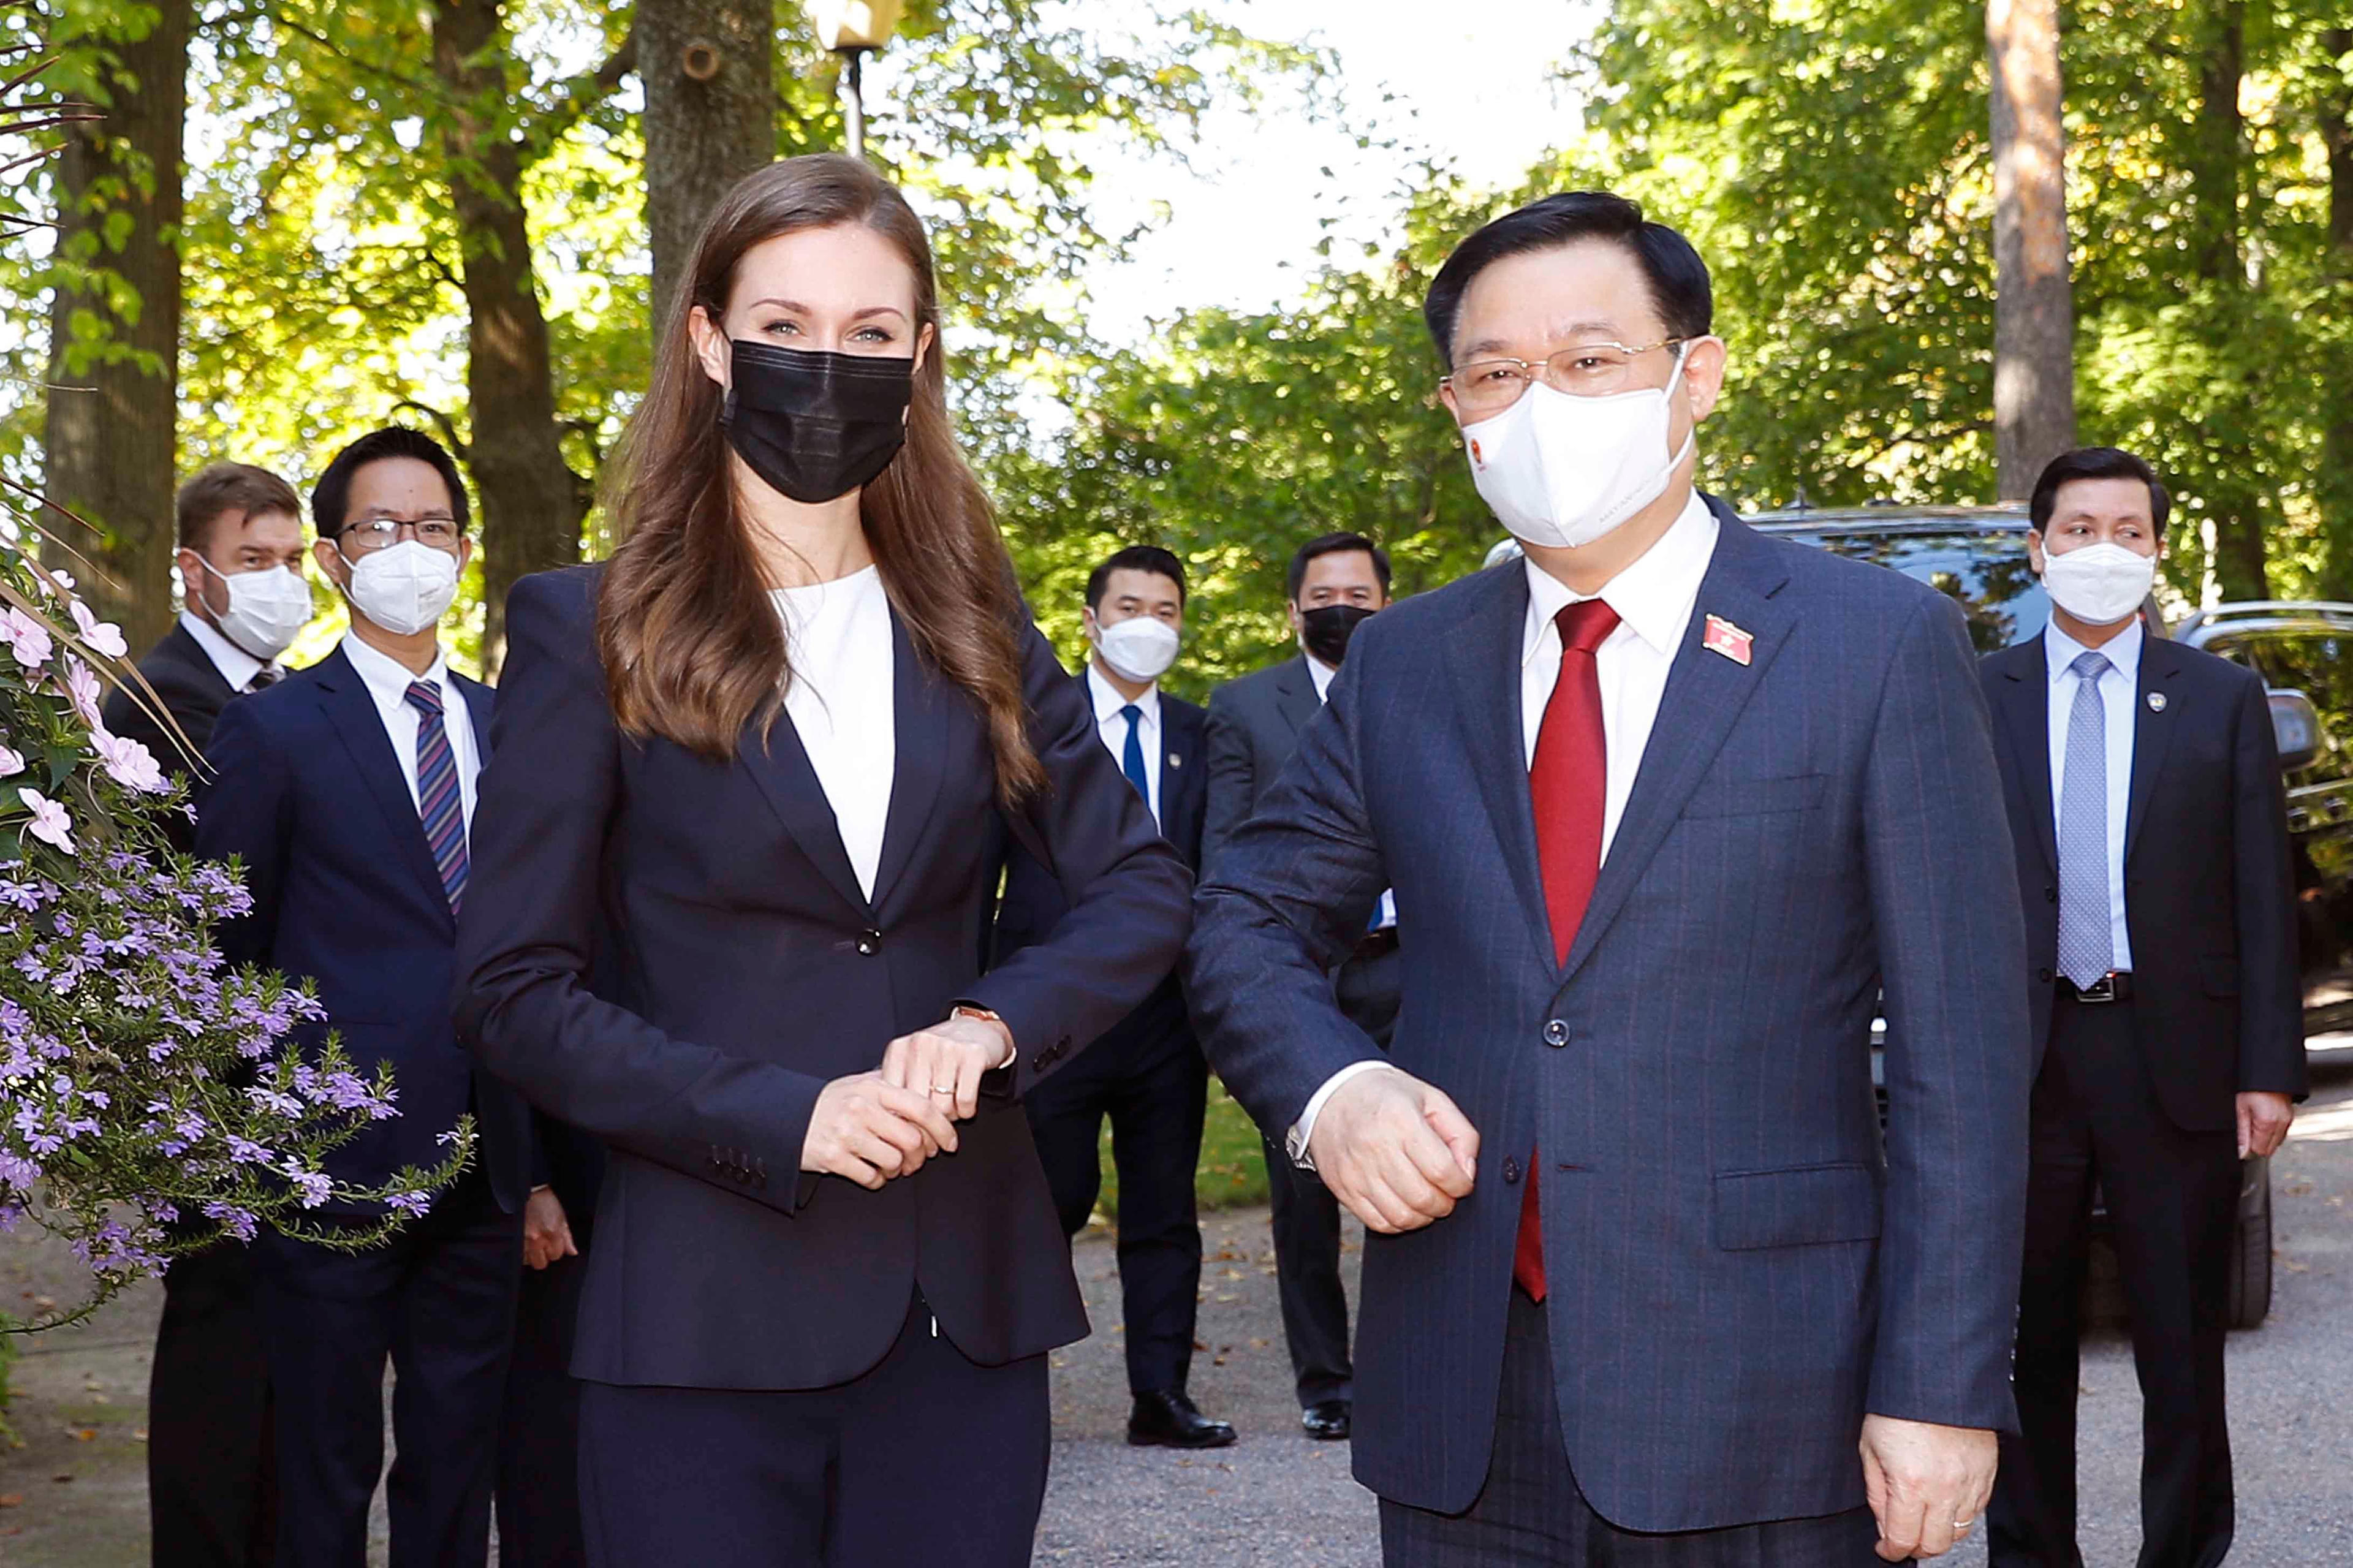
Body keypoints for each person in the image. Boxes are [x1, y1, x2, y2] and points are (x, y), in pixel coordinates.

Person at [1187, 191, 2031, 1566]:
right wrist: (1333, 1091)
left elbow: (1966, 1052)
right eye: (1496, 374)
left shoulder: (1873, 645)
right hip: (1465, 1407)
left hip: (1770, 1400)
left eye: (1588, 361)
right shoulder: (1407, 663)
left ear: (1694, 375)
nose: (1540, 405)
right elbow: (1248, 918)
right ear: (1456, 407)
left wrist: (1940, 1385)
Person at [452, 154, 1191, 1568]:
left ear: (920, 355)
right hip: (699, 1317)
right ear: (710, 341)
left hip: (962, 1317)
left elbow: (1141, 884)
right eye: (785, 325)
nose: (826, 363)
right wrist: (785, 1114)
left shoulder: (977, 623)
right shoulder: (587, 629)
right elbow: (511, 989)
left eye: (870, 331)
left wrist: (993, 1024)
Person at [196, 426, 545, 1568]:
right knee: (325, 1462)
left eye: (433, 526)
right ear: (335, 559)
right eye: (380, 527)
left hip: (488, 1167)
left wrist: (540, 1163)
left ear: (464, 551)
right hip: (331, 1164)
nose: (410, 547)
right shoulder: (272, 728)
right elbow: (228, 948)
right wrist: (262, 1138)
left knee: (459, 1456)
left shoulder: (514, 727)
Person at [1980, 447, 2303, 1568]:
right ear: (2039, 551)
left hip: (2174, 1056)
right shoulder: (1975, 696)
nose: (2102, 550)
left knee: (2182, 1340)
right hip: (2023, 1061)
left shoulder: (2220, 698)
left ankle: (2184, 1551)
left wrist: (2268, 1069)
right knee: (2025, 1340)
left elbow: (2263, 893)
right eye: (2079, 530)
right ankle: (2032, 1554)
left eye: (2128, 531)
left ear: (2157, 552)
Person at [103, 461, 311, 1568]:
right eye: (253, 559)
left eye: (292, 558)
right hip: (212, 1076)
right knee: (219, 1349)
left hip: (276, 1068)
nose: (281, 579)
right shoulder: (163, 702)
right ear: (194, 570)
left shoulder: (280, 691)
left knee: (277, 1352)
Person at [996, 544, 1234, 1450]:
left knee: (1164, 1209)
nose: (1148, 624)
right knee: (1047, 1199)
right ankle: (1011, 1390)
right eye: (1130, 606)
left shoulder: (1204, 736)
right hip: (1051, 1006)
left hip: (1167, 1015)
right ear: (1091, 620)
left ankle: (1160, 1396)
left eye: (1166, 610)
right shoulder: (1030, 725)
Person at [1201, 531, 1400, 1442]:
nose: (1341, 610)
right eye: (1324, 596)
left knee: (1428, 1178)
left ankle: (1411, 1368)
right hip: (1302, 981)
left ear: (1386, 605)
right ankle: (1328, 1382)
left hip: (1413, 970)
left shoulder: (1426, 693)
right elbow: (1226, 855)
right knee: (1304, 1195)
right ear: (1293, 610)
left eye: (1359, 595)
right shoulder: (1244, 708)